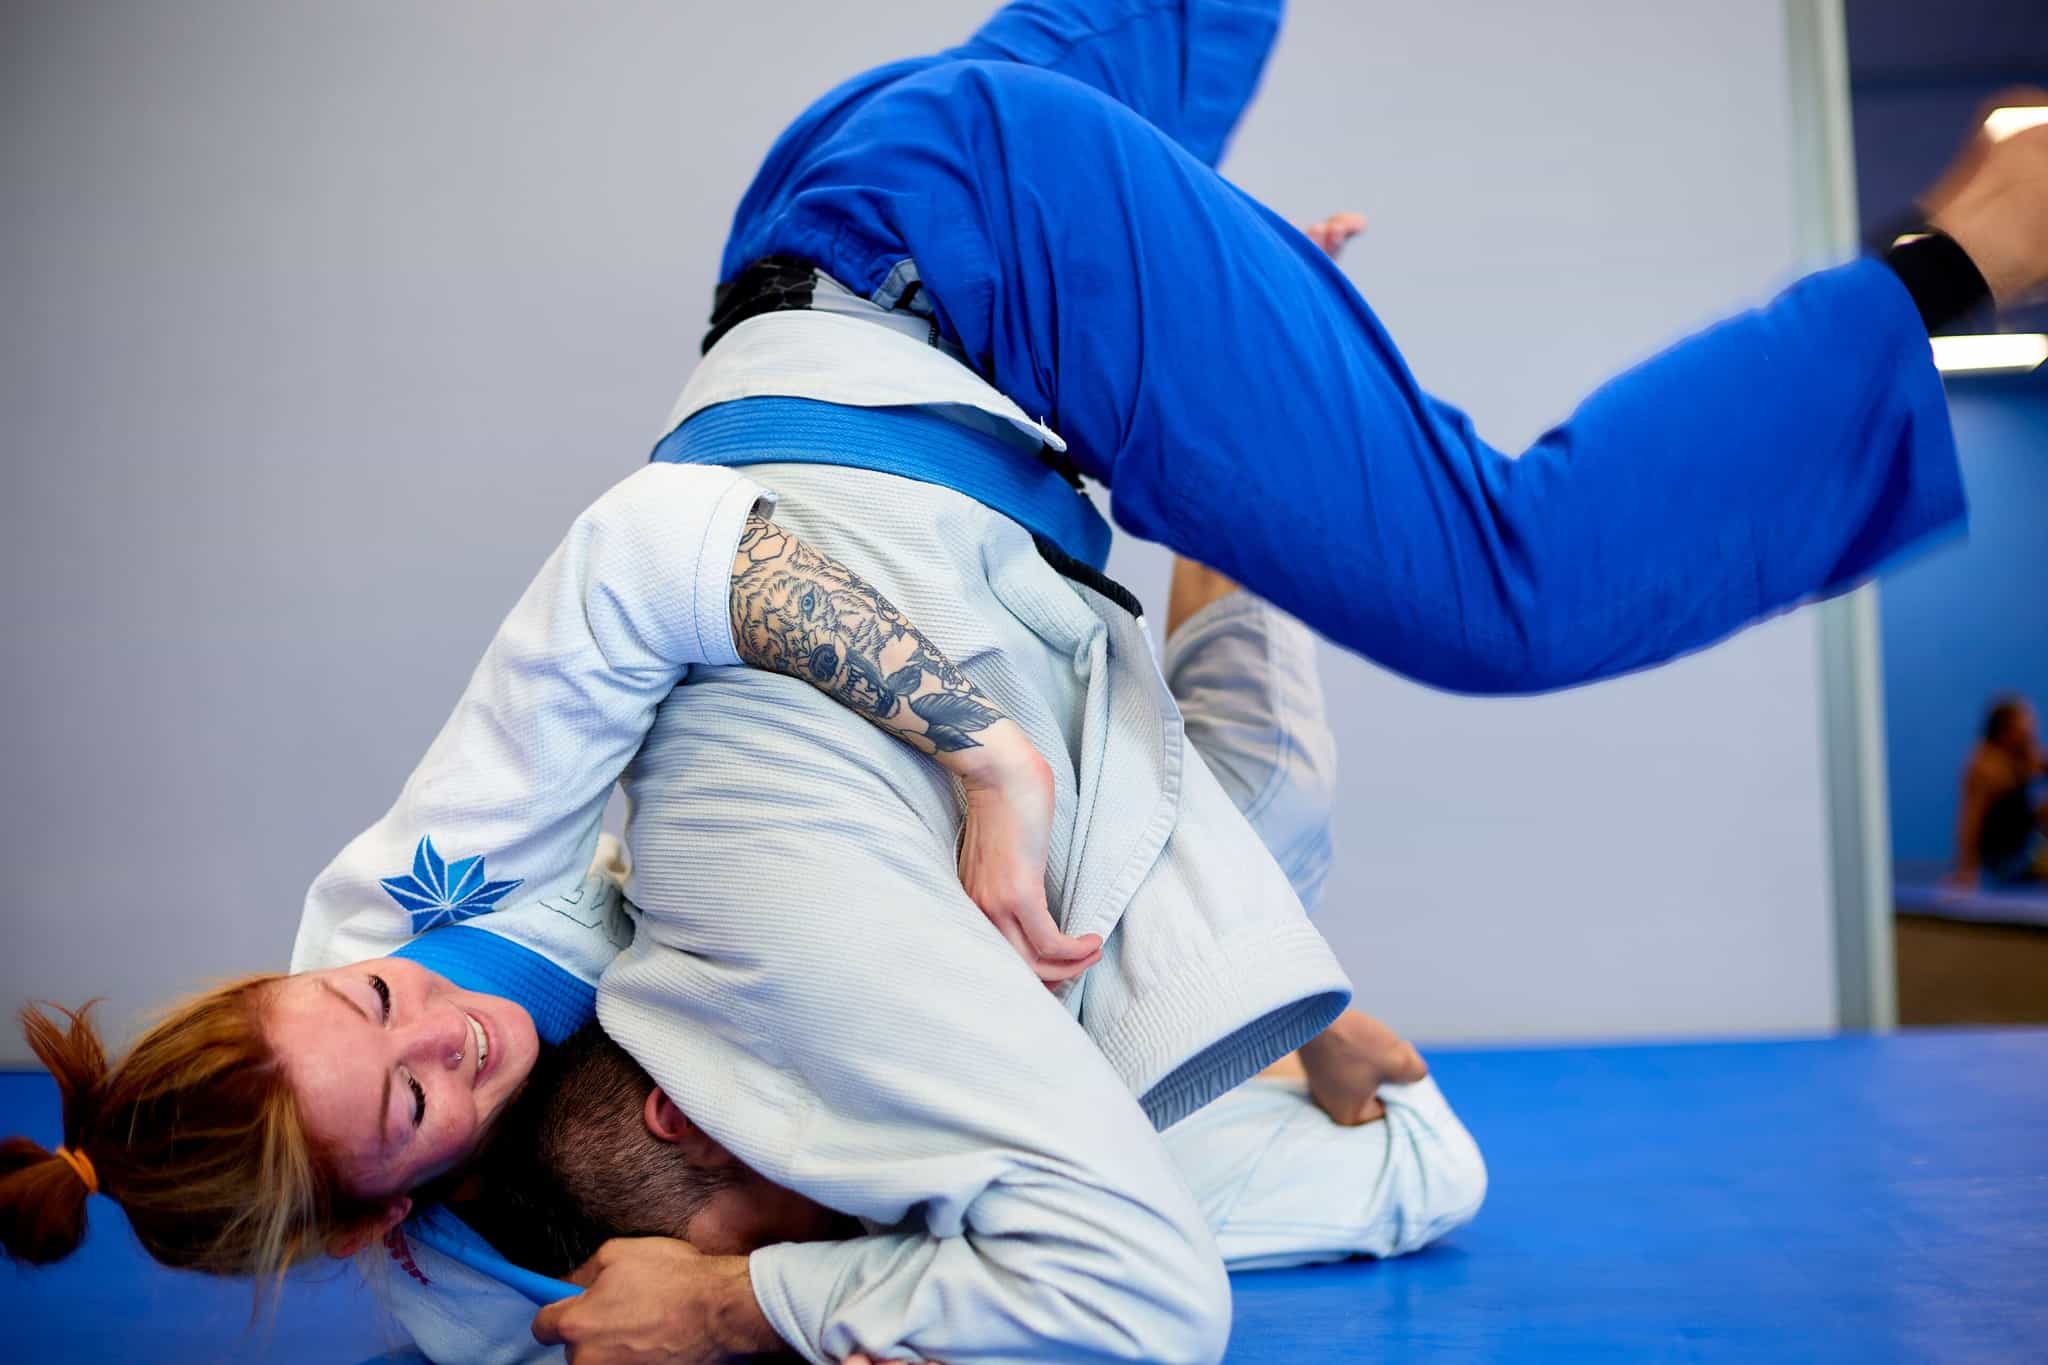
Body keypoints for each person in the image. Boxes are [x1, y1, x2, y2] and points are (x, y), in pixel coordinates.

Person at [7, 1, 2048, 1359]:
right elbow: (531, 1301)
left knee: (1506, 589)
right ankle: (1246, 376)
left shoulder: (419, 893)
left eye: (372, 1004)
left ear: (306, 967)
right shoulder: (462, 1262)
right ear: (384, 1221)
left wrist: (974, 744)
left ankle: (1966, 253)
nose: (439, 1020)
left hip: (972, 268)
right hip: (910, 254)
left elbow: (649, 553)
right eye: (419, 1097)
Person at [349, 558, 1485, 1365]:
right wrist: (849, 1312)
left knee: (1268, 803)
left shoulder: (691, 941)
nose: (851, 1229)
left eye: (792, 1218)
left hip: (968, 802)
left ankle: (1226, 480)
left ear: (683, 1118)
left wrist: (735, 1296)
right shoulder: (498, 1291)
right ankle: (1301, 1055)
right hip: (1061, 1074)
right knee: (1423, 1172)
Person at [1949, 694, 2048, 886]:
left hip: (2020, 854)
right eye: (2025, 723)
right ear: (2005, 730)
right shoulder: (1986, 765)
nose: (2032, 728)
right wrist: (1966, 869)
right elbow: (1970, 819)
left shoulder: (2025, 755)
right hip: (2001, 862)